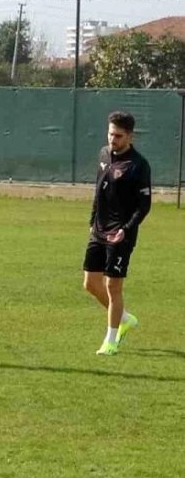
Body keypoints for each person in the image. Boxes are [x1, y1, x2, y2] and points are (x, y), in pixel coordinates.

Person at [83, 111, 151, 356]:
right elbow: (98, 191)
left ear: (130, 136)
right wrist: (93, 221)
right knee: (90, 284)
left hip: (121, 235)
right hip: (99, 230)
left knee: (113, 287)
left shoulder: (138, 166)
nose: (113, 139)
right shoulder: (103, 154)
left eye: (119, 136)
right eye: (111, 133)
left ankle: (111, 340)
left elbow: (144, 206)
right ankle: (124, 318)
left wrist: (125, 230)